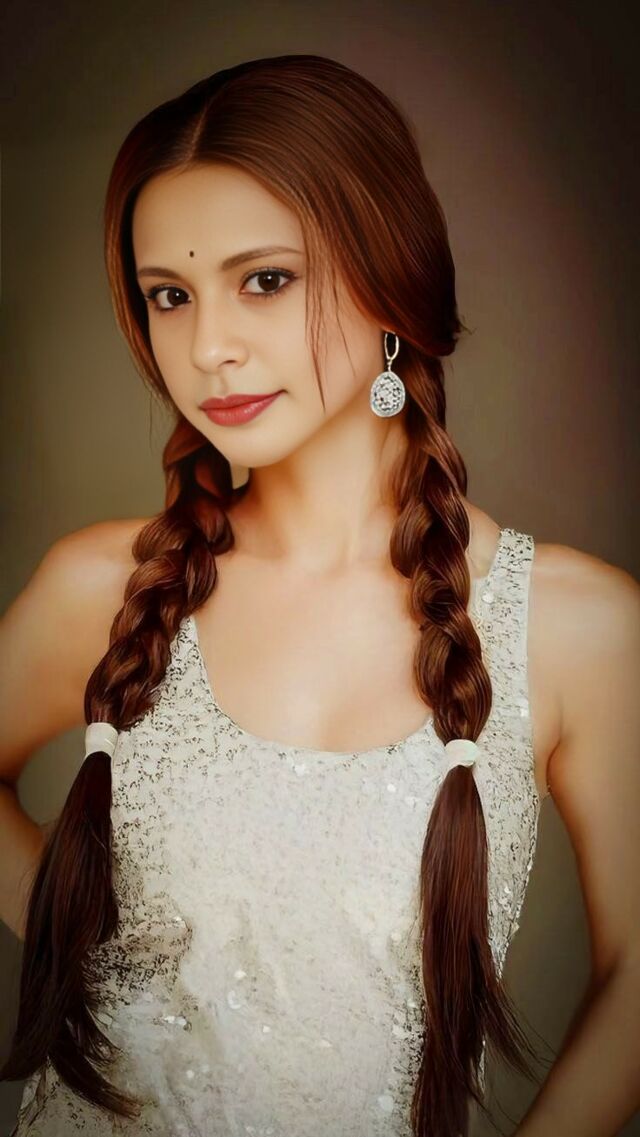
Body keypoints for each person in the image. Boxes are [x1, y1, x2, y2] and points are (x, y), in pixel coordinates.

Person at [1, 53, 638, 1137]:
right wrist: (88, 950)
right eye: (169, 296)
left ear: (391, 272)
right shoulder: (103, 589)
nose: (208, 347)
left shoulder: (575, 629)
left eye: (265, 279)